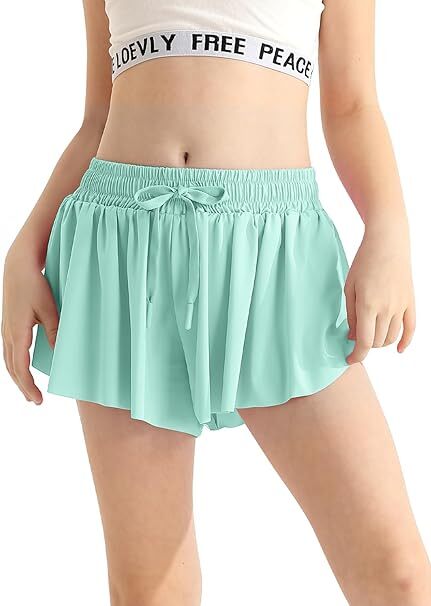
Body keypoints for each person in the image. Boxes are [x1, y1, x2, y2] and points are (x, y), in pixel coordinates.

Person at [2, 0, 430, 604]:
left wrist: (389, 229)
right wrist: (24, 250)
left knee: (398, 577)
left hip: (275, 250)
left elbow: (353, 105)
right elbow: (98, 115)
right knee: (148, 590)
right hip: (121, 247)